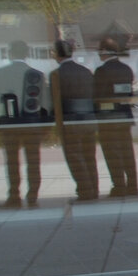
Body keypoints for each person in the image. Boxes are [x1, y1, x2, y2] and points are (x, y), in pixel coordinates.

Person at [0, 40, 49, 209]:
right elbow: (45, 103)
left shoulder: (1, 73)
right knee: (33, 161)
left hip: (9, 124)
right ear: (26, 53)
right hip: (32, 125)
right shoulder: (36, 74)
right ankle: (32, 197)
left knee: (12, 162)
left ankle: (14, 196)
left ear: (10, 53)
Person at [51, 40, 100, 202]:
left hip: (70, 121)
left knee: (75, 157)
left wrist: (57, 127)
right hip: (89, 120)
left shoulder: (56, 75)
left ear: (57, 54)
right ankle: (94, 189)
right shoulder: (86, 71)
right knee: (89, 156)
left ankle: (85, 191)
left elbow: (55, 102)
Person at [94, 38, 138, 197]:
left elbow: (97, 96)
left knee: (112, 153)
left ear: (105, 51)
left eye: (99, 50)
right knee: (127, 151)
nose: (98, 54)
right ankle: (133, 184)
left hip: (108, 119)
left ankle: (119, 185)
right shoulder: (126, 69)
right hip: (125, 117)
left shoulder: (101, 72)